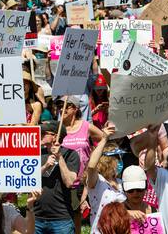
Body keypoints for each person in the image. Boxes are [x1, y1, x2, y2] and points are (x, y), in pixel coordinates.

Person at [58, 95, 103, 233]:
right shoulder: (58, 128)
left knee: (79, 215)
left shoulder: (85, 126)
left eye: (67, 105)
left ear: (76, 108)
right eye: (60, 106)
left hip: (84, 179)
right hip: (64, 178)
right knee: (66, 215)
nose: (62, 108)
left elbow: (103, 138)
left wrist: (95, 155)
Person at [34, 121, 80, 234]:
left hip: (61, 219)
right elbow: (28, 179)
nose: (40, 135)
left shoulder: (71, 154)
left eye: (44, 132)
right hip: (36, 218)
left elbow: (69, 182)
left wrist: (60, 157)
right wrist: (45, 166)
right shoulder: (36, 153)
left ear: (55, 136)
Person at [85, 123, 126, 233]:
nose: (120, 160)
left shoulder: (122, 182)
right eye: (117, 157)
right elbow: (91, 165)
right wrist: (104, 139)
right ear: (106, 160)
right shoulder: (97, 181)